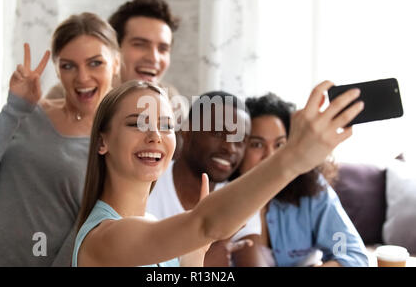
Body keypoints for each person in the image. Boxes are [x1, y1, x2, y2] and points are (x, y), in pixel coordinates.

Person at [72, 79, 364, 267]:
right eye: (138, 123)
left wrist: (194, 258)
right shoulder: (104, 236)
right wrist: (293, 157)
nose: (155, 136)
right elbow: (205, 224)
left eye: (165, 125)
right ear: (102, 141)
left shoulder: (148, 222)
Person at [0, 12, 120, 266]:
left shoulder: (115, 146)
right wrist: (14, 109)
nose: (82, 78)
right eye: (68, 66)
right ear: (58, 72)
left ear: (115, 63)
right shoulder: (28, 113)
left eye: (95, 63)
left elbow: (83, 237)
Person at [235, 93, 369, 267]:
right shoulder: (222, 195)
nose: (270, 156)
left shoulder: (312, 190)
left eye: (280, 145)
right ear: (240, 148)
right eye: (257, 144)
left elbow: (352, 255)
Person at [146, 91, 266, 267]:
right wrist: (207, 257)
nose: (230, 148)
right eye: (218, 133)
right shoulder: (148, 184)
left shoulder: (239, 198)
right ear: (187, 130)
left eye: (240, 139)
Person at [46, 0, 181, 101]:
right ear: (115, 50)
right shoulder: (66, 96)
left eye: (163, 48)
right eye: (140, 45)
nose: (153, 58)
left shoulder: (172, 100)